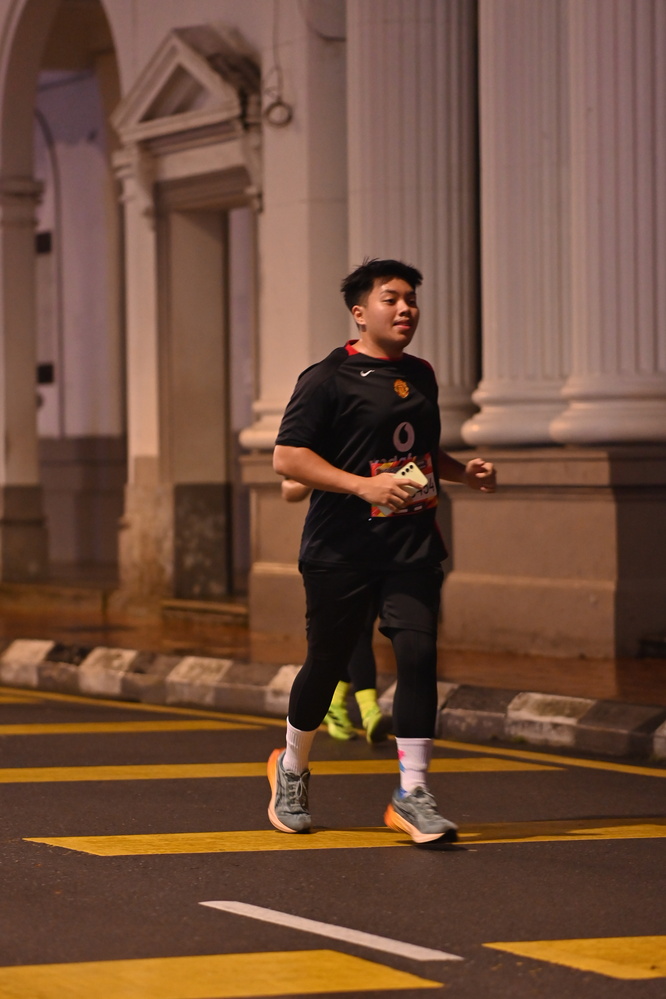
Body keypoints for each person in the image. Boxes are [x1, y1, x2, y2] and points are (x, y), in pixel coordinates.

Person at [268, 258, 496, 845]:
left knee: (417, 656)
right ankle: (291, 767)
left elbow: (420, 452)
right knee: (327, 663)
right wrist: (361, 486)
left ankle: (412, 794)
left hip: (411, 545)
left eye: (410, 300)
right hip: (341, 549)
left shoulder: (420, 374)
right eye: (390, 299)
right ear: (359, 311)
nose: (405, 309)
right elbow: (288, 458)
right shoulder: (327, 377)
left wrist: (461, 472)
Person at [282, 477, 390, 744]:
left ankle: (335, 702)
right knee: (354, 630)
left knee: (354, 632)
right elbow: (289, 489)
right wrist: (328, 477)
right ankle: (369, 709)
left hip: (383, 540)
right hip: (337, 546)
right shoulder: (328, 450)